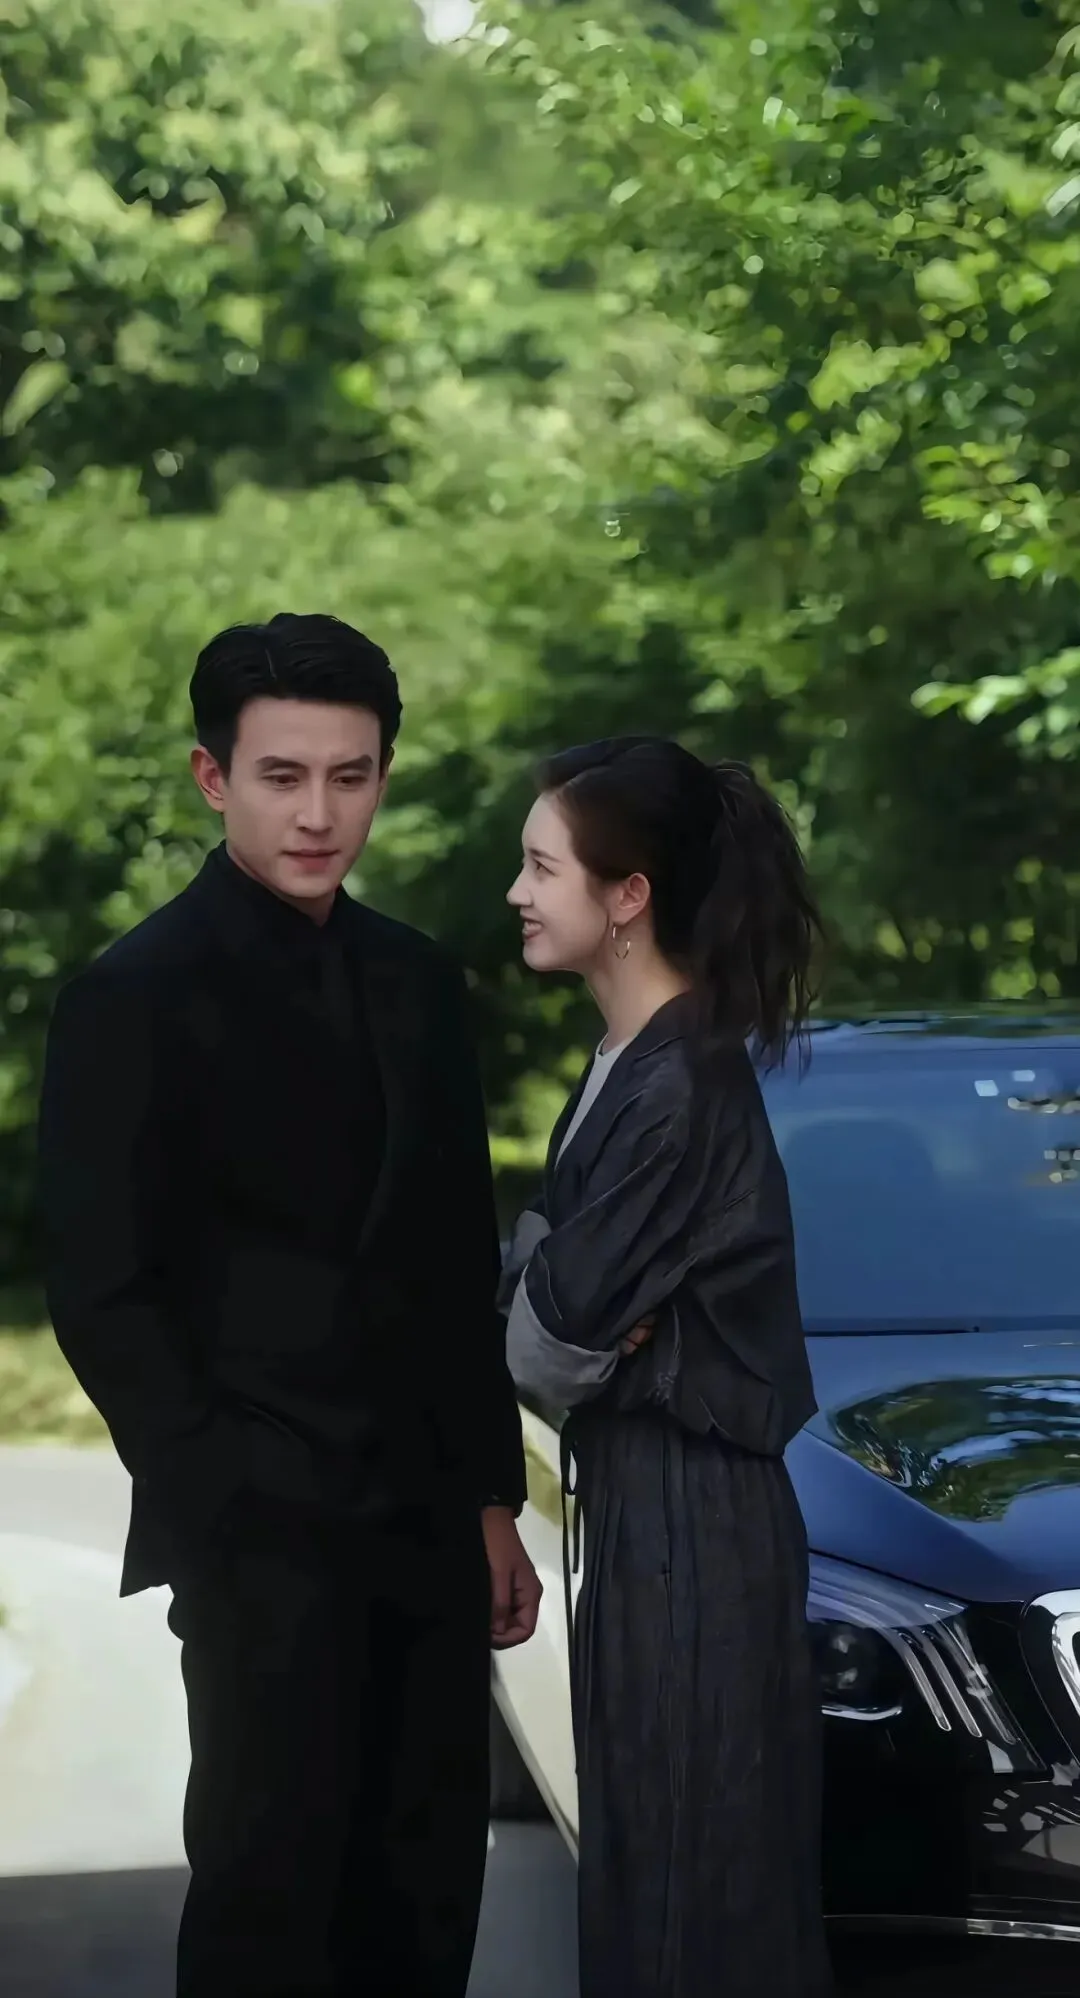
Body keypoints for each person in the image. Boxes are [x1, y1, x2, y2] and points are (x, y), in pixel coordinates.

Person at [37, 613, 540, 1998]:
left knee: (426, 1901)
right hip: (258, 1531)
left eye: (350, 775)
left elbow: (453, 1260)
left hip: (427, 1525)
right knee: (269, 1901)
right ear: (215, 778)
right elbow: (100, 1284)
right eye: (282, 776)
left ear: (382, 776)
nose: (319, 813)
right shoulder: (130, 995)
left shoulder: (420, 982)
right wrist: (221, 1488)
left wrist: (489, 1499)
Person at [503, 736, 833, 1998]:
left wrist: (550, 1287)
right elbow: (558, 1309)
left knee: (705, 1886)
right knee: (649, 1866)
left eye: (544, 868)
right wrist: (549, 1276)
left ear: (627, 895)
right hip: (644, 1509)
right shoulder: (624, 1063)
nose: (520, 893)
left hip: (700, 1517)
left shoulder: (681, 1084)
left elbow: (546, 1345)